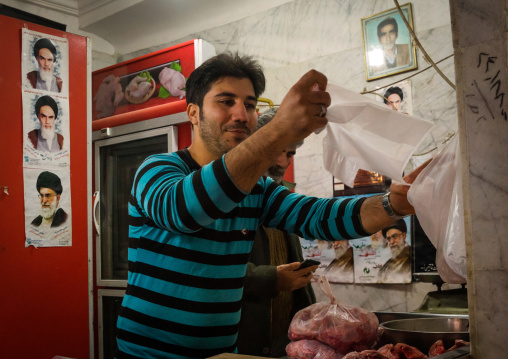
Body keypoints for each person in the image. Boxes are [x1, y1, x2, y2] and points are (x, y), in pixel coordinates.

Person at [116, 52, 426, 359]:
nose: (241, 115)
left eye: (249, 105)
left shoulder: (257, 188)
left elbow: (317, 216)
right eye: (226, 102)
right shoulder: (157, 170)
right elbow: (184, 210)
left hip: (223, 354)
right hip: (147, 354)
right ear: (194, 113)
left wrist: (392, 204)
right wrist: (279, 128)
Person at [236, 108, 317, 357]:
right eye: (278, 150)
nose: (283, 161)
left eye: (290, 153)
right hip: (241, 341)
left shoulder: (283, 196)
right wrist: (271, 278)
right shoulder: (227, 195)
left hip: (283, 341)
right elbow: (207, 268)